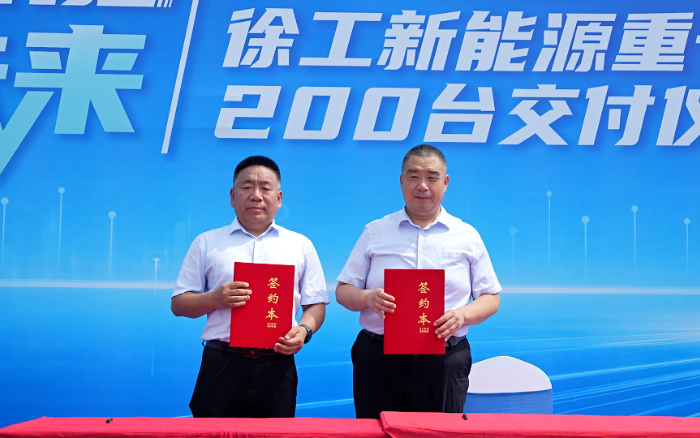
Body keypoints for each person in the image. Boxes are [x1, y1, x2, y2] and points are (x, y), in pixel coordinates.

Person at [336, 144, 501, 419]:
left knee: (440, 434)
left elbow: (490, 297)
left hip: (444, 359)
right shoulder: (375, 231)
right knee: (376, 432)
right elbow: (343, 291)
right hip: (380, 358)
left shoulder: (466, 236)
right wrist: (367, 298)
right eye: (413, 176)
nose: (422, 185)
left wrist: (462, 315)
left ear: (445, 182)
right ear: (401, 181)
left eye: (432, 177)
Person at [171, 155, 328, 418]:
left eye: (265, 188)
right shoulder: (207, 242)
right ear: (233, 196)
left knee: (275, 434)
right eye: (247, 187)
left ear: (279, 198)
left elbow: (315, 305)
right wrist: (214, 298)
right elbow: (179, 304)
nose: (256, 195)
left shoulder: (300, 245)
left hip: (276, 365)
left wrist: (304, 330)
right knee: (212, 434)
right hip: (221, 363)